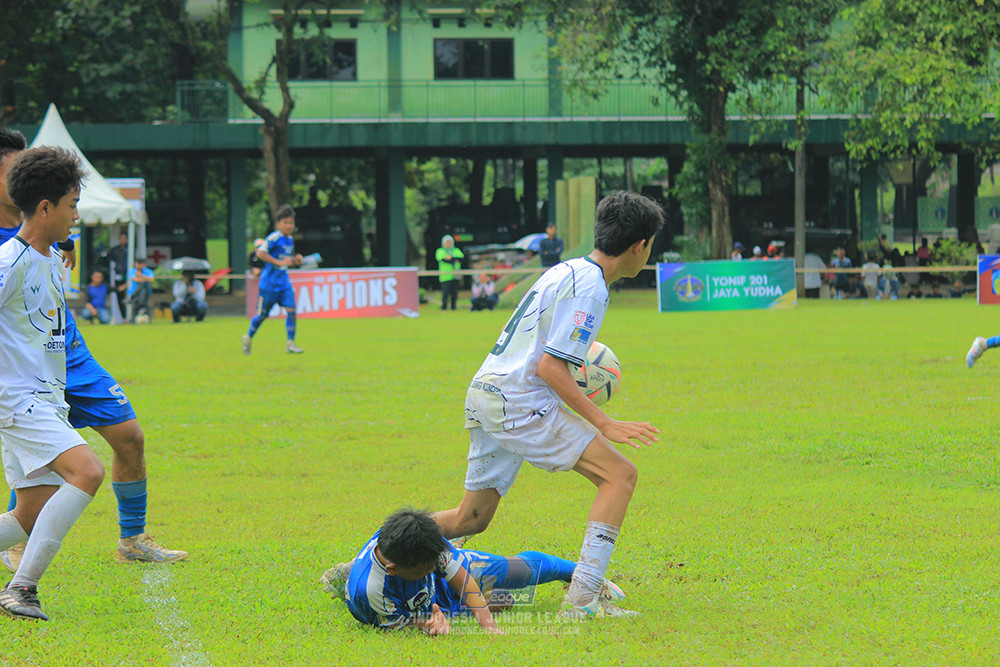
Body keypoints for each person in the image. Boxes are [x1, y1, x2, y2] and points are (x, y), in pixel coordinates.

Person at [433, 191, 660, 619]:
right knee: (620, 476)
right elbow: (550, 368)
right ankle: (582, 601)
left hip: (486, 390)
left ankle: (367, 558)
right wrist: (603, 422)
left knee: (471, 518)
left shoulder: (568, 268)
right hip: (519, 402)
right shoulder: (591, 287)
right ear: (640, 245)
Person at [0, 130, 186, 576]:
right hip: (21, 370)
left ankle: (132, 538)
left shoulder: (47, 229)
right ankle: (21, 553)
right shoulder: (12, 249)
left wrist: (61, 242)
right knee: (58, 461)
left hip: (67, 354)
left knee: (130, 437)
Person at [0, 146, 104, 620]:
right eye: (72, 205)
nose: (76, 216)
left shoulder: (50, 261)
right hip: (18, 401)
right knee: (88, 471)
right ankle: (21, 590)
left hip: (45, 399)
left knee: (29, 515)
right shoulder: (10, 261)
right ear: (45, 208)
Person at [329, 508, 628, 634]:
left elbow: (457, 575)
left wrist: (488, 625)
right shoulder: (371, 593)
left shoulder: (425, 547)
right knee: (504, 601)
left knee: (515, 572)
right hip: (423, 604)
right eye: (427, 569)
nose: (433, 568)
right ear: (393, 569)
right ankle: (350, 570)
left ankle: (580, 573)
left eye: (436, 563)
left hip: (432, 587)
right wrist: (429, 623)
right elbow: (399, 623)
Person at [243, 205, 304, 355]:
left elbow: (286, 260)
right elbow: (261, 253)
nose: (289, 226)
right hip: (269, 284)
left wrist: (295, 260)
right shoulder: (274, 238)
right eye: (286, 222)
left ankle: (290, 343)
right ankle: (248, 337)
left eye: (291, 223)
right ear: (278, 224)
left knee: (292, 311)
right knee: (262, 316)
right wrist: (278, 263)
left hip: (283, 282)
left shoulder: (289, 240)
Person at [436, 235, 464, 311]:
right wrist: (453, 259)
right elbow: (443, 260)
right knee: (445, 293)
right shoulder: (440, 251)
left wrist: (451, 258)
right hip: (445, 276)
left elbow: (461, 258)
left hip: (455, 275)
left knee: (454, 293)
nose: (448, 244)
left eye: (449, 242)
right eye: (446, 242)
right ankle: (444, 308)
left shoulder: (456, 250)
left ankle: (453, 308)